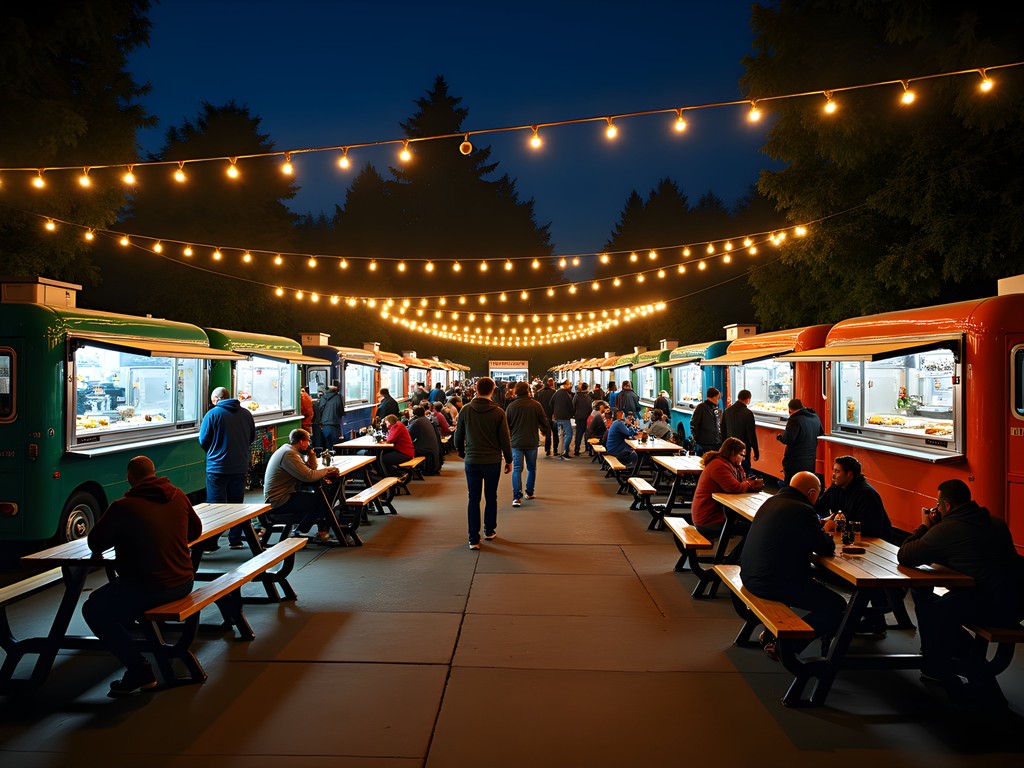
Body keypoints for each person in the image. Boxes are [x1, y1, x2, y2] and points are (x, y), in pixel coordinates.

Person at [82, 456, 201, 696]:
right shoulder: (178, 495)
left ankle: (139, 670)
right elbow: (195, 531)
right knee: (115, 599)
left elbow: (95, 543)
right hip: (184, 581)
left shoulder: (123, 507)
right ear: (154, 473)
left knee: (93, 609)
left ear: (129, 477)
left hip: (149, 587)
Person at [897, 479, 1023, 691]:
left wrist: (925, 526)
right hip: (1015, 602)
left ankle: (944, 667)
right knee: (937, 605)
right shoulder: (995, 522)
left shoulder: (948, 529)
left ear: (946, 506)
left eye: (938, 505)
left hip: (991, 605)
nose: (937, 508)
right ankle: (942, 662)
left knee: (933, 612)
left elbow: (906, 555)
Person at [740, 471, 846, 660]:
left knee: (815, 584)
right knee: (837, 606)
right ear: (812, 493)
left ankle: (777, 637)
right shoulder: (802, 509)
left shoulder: (772, 501)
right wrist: (826, 530)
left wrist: (816, 527)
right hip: (772, 583)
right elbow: (825, 548)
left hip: (750, 575)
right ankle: (786, 646)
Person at [453, 376, 512, 549]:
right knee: (491, 496)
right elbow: (505, 439)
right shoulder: (498, 412)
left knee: (473, 498)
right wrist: (509, 459)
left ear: (476, 389)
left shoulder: (466, 410)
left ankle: (473, 538)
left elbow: (458, 435)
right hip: (492, 461)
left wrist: (462, 452)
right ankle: (489, 531)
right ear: (493, 390)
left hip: (472, 460)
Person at [198, 385, 256, 550]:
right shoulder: (246, 414)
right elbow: (252, 437)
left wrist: (214, 450)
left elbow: (203, 440)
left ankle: (211, 542)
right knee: (236, 504)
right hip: (240, 465)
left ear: (217, 399)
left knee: (216, 505)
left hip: (217, 467)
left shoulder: (213, 414)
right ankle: (235, 539)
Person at [264, 428, 341, 541]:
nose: (309, 443)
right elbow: (309, 476)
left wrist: (311, 452)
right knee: (323, 500)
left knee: (324, 498)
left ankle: (306, 529)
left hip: (284, 496)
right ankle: (306, 529)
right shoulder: (289, 454)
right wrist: (327, 470)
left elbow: (311, 468)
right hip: (279, 500)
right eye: (308, 441)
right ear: (301, 441)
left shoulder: (290, 450)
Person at [690, 438, 764, 540]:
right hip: (708, 520)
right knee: (754, 529)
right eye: (741, 455)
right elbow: (735, 487)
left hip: (714, 515)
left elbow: (742, 480)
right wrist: (748, 484)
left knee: (752, 525)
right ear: (732, 453)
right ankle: (740, 551)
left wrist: (745, 480)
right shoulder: (719, 465)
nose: (743, 459)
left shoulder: (730, 464)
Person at [815, 455, 892, 540]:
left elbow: (869, 528)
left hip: (873, 540)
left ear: (849, 474)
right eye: (834, 470)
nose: (833, 475)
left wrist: (837, 525)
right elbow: (819, 507)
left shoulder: (867, 494)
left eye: (837, 471)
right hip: (847, 537)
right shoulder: (836, 487)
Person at [505, 381, 551, 506]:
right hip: (531, 441)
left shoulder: (511, 407)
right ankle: (529, 492)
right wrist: (544, 431)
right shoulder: (536, 405)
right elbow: (545, 422)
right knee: (531, 468)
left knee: (517, 469)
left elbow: (506, 426)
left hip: (516, 442)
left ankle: (516, 497)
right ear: (527, 390)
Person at [777, 398, 824, 483]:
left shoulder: (794, 419)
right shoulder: (814, 417)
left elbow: (788, 439)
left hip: (795, 460)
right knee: (807, 483)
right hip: (810, 459)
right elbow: (821, 432)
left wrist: (780, 437)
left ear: (790, 410)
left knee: (793, 484)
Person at [721, 389, 758, 474]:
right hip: (743, 448)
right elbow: (751, 434)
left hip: (729, 446)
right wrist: (756, 451)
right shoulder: (748, 413)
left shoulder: (727, 411)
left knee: (730, 469)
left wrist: (723, 446)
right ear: (748, 399)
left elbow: (723, 430)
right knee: (743, 470)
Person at [407, 405, 442, 474]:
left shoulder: (417, 422)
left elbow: (409, 436)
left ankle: (406, 471)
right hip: (431, 447)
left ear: (414, 415)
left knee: (407, 451)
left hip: (425, 448)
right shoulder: (426, 420)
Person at [689, 387, 722, 455]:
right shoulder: (701, 407)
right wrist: (697, 439)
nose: (718, 400)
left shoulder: (716, 409)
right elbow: (693, 424)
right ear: (714, 397)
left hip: (716, 443)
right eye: (718, 398)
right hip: (704, 444)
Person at [550, 379, 575, 459]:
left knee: (560, 435)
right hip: (565, 417)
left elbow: (550, 403)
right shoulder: (566, 395)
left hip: (557, 417)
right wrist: (571, 414)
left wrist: (554, 412)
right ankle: (565, 450)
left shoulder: (556, 393)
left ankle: (561, 450)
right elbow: (571, 407)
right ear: (566, 385)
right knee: (569, 434)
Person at [317, 380, 343, 450]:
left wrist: (319, 421)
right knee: (335, 445)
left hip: (325, 424)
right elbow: (341, 411)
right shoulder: (338, 397)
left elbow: (320, 410)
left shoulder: (323, 398)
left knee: (327, 444)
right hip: (335, 424)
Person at [535, 377, 557, 456]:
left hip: (543, 415)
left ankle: (547, 449)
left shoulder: (538, 393)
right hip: (552, 415)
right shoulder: (554, 392)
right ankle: (555, 449)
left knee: (548, 432)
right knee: (555, 432)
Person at [571, 382, 593, 455]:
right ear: (586, 388)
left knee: (579, 434)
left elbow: (573, 406)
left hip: (579, 417)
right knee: (587, 433)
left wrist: (574, 415)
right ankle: (588, 449)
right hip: (587, 417)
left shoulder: (576, 396)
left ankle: (577, 449)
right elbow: (590, 408)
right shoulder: (588, 397)